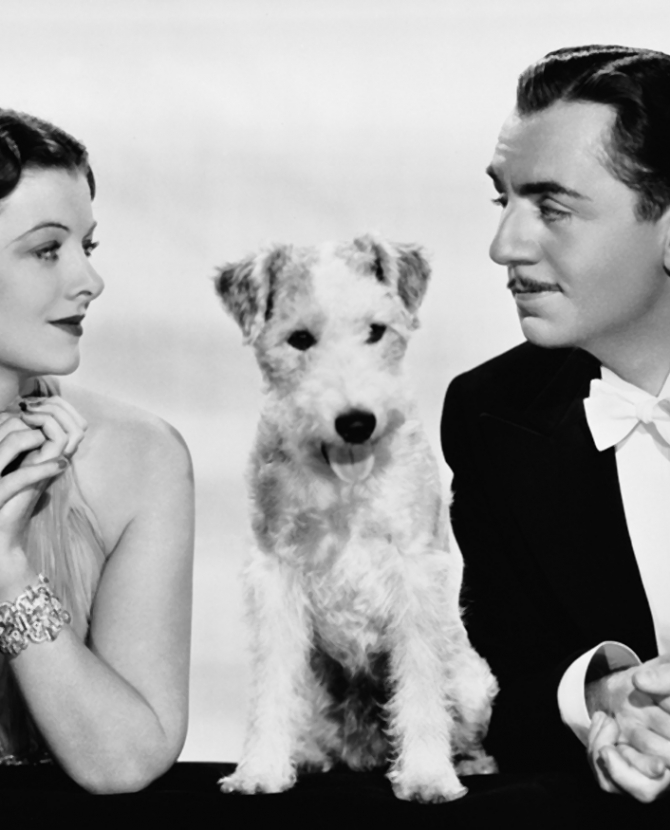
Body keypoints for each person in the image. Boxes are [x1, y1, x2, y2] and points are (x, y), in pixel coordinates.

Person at [441, 45, 670, 804]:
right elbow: (495, 692)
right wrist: (604, 700)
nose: (504, 246)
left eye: (553, 207)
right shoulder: (491, 415)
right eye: (503, 201)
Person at [0, 110, 194, 792]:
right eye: (47, 250)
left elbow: (124, 763)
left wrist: (9, 572)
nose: (91, 280)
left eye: (88, 245)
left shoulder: (140, 457)